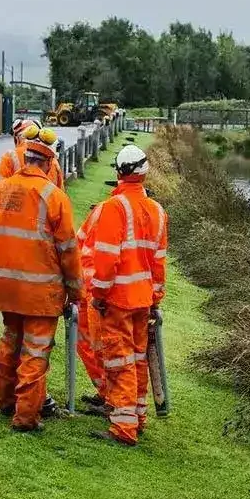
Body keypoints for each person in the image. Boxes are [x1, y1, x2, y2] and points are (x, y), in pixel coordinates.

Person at [0, 131, 82, 432]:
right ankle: (26, 417)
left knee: (10, 340)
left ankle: (5, 401)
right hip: (40, 293)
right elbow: (68, 250)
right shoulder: (55, 197)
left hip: (4, 289)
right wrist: (75, 291)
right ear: (48, 164)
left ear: (24, 158)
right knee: (35, 351)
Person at [87, 142, 168, 446]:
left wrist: (98, 294)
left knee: (119, 362)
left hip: (118, 300)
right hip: (144, 300)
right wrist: (155, 299)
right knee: (137, 360)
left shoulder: (113, 208)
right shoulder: (158, 211)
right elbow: (159, 263)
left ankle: (123, 429)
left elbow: (106, 260)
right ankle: (138, 417)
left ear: (119, 173)